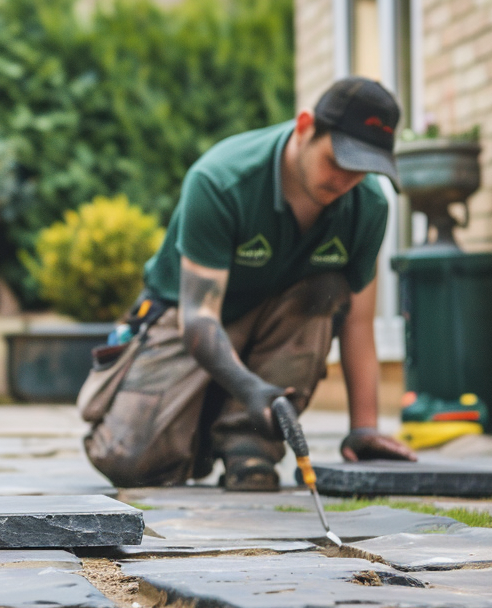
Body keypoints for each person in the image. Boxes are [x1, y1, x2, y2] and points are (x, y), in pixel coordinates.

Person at [81, 77, 418, 490]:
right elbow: (199, 317)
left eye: (362, 169)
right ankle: (202, 430)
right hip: (186, 320)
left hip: (282, 323)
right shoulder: (221, 180)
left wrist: (364, 429)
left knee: (326, 287)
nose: (347, 180)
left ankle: (248, 444)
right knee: (127, 463)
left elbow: (358, 324)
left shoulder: (368, 206)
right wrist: (248, 388)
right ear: (305, 126)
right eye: (338, 160)